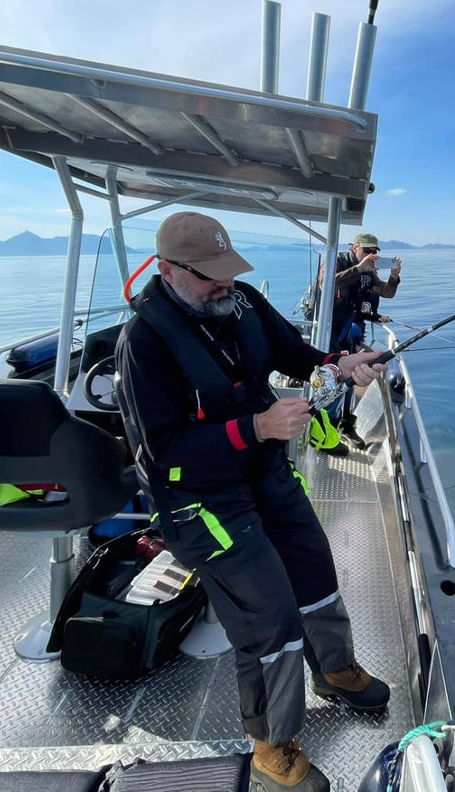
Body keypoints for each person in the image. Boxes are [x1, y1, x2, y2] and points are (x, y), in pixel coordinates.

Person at [115, 212, 391, 792]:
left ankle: (333, 670)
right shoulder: (143, 342)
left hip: (263, 473)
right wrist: (258, 427)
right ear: (167, 270)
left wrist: (336, 364)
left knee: (316, 570)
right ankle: (272, 747)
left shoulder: (240, 302)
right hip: (199, 501)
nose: (224, 282)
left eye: (228, 269)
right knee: (269, 615)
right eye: (209, 274)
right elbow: (163, 451)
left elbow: (293, 352)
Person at [320, 232, 401, 449]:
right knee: (331, 375)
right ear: (355, 247)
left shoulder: (369, 273)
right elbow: (325, 284)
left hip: (346, 329)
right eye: (367, 250)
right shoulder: (337, 261)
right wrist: (358, 268)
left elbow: (386, 292)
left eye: (375, 252)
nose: (371, 255)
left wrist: (394, 277)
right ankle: (326, 424)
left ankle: (345, 422)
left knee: (350, 375)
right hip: (327, 329)